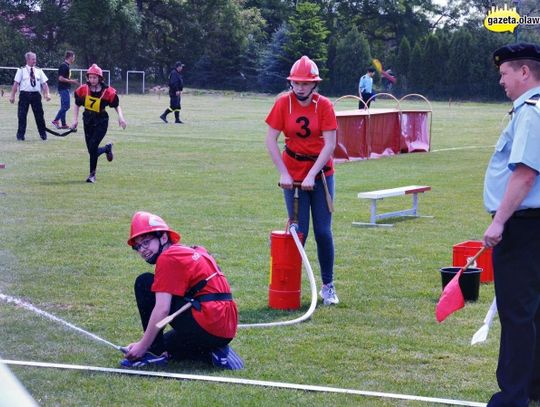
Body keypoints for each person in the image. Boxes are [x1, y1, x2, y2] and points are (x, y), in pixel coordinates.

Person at [483, 42, 540, 407]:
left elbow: (524, 173)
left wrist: (499, 221)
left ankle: (514, 396)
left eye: (504, 73)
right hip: (531, 225)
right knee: (532, 310)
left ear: (524, 72)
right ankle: (532, 387)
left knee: (517, 312)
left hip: (523, 225)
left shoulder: (531, 112)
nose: (501, 81)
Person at [123, 211, 243, 370]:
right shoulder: (191, 251)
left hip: (210, 321)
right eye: (137, 246)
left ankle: (154, 354)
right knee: (167, 344)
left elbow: (162, 309)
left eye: (146, 242)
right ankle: (213, 351)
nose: (142, 250)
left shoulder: (167, 258)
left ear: (163, 238)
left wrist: (143, 347)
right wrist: (142, 341)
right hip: (223, 328)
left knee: (144, 283)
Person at [265, 55, 339, 306]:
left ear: (315, 85)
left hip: (320, 173)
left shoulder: (324, 105)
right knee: (299, 231)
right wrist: (284, 172)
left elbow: (330, 145)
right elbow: (270, 140)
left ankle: (328, 286)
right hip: (292, 172)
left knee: (322, 231)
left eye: (306, 83)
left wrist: (310, 175)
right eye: (296, 82)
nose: (300, 87)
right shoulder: (282, 104)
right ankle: (291, 285)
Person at [72, 64, 126, 183]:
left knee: (93, 146)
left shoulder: (108, 91)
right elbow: (76, 104)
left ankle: (92, 175)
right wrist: (75, 120)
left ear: (100, 78)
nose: (92, 80)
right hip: (87, 120)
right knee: (91, 150)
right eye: (90, 77)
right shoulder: (83, 90)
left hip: (101, 121)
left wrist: (121, 117)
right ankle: (107, 148)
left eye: (94, 78)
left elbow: (117, 106)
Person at [9, 51, 51, 141]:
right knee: (22, 115)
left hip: (36, 95)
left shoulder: (39, 70)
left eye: (35, 59)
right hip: (24, 95)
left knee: (39, 115)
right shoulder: (21, 70)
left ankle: (43, 134)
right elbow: (15, 84)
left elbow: (44, 84)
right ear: (27, 59)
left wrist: (47, 94)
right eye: (33, 59)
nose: (35, 61)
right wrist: (12, 96)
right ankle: (20, 136)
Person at [52, 50, 78, 129]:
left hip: (65, 88)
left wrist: (71, 81)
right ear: (70, 57)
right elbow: (60, 78)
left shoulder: (67, 66)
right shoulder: (64, 66)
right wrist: (72, 81)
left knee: (63, 106)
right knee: (66, 106)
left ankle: (63, 124)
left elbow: (65, 78)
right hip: (63, 89)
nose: (74, 59)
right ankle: (56, 120)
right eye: (73, 57)